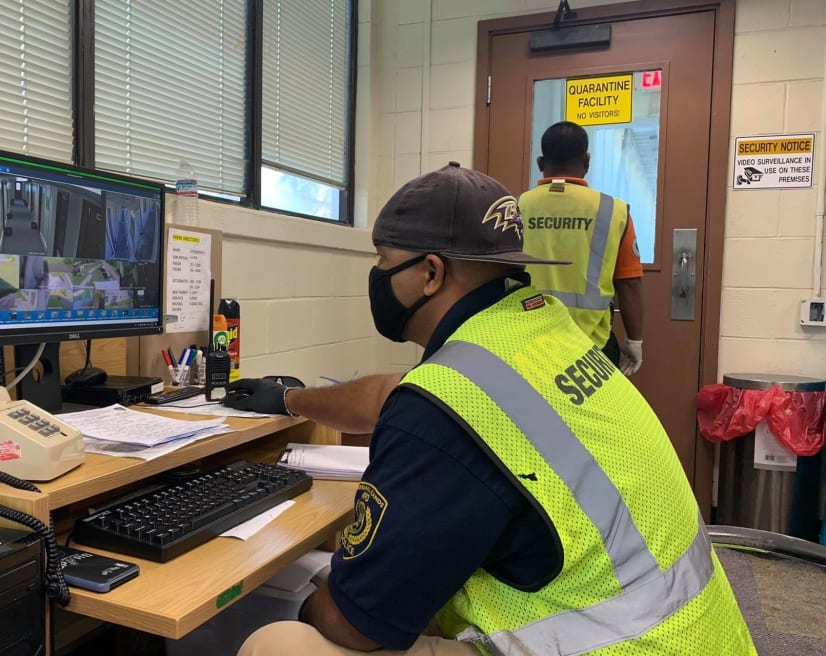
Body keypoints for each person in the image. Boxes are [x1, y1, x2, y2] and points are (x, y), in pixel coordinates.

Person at [232, 163, 754, 655]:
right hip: (692, 636)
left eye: (384, 262)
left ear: (430, 274)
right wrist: (287, 400)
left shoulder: (443, 407)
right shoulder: (539, 330)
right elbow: (390, 394)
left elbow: (358, 626)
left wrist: (305, 600)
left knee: (278, 641)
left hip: (606, 645)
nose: (377, 276)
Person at [520, 120, 645, 374]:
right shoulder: (614, 211)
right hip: (590, 347)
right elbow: (629, 283)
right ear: (587, 161)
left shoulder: (516, 207)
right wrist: (634, 340)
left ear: (540, 164)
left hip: (526, 342)